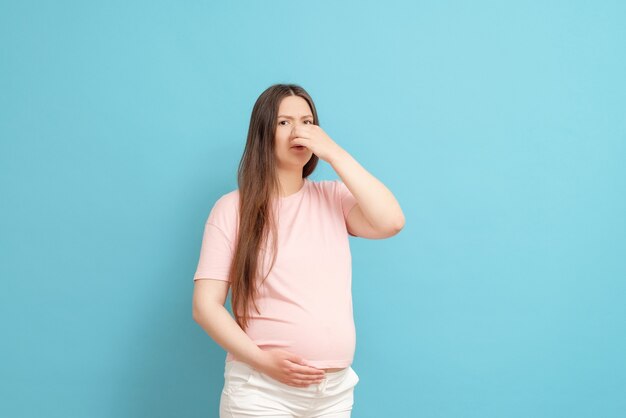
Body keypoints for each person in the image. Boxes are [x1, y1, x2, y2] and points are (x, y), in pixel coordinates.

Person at [192, 83, 405, 417]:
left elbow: (391, 221)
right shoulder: (232, 209)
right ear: (263, 134)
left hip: (332, 394)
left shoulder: (334, 198)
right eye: (284, 122)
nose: (299, 131)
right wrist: (264, 362)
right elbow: (205, 307)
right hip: (261, 390)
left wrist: (334, 152)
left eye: (307, 122)